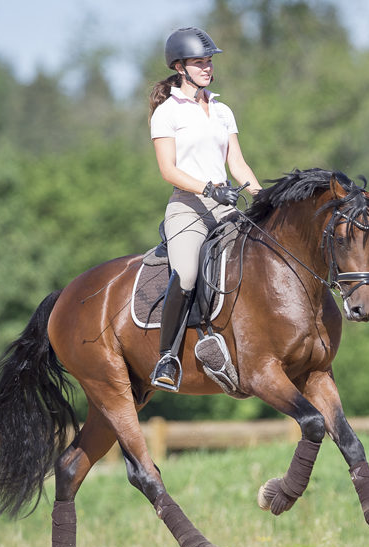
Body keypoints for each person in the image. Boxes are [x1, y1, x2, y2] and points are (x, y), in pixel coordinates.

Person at [148, 26, 262, 391]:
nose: (207, 68)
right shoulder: (167, 113)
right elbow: (169, 170)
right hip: (188, 207)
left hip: (227, 205)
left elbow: (238, 165)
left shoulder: (223, 109)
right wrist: (209, 188)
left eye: (209, 62)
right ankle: (167, 357)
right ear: (179, 67)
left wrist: (262, 197)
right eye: (200, 62)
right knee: (185, 274)